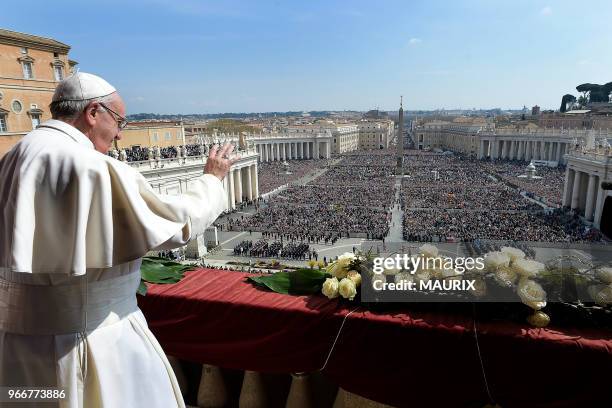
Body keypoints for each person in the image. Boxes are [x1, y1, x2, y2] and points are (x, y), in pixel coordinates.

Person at [0, 72, 235, 407]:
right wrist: (211, 181)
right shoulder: (92, 167)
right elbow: (174, 225)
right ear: (93, 112)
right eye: (120, 120)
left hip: (16, 351)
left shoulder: (12, 158)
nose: (122, 133)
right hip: (92, 343)